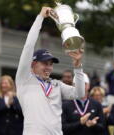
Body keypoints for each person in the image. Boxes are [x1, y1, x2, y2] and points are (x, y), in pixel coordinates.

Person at [15, 7, 85, 135]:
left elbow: (79, 93)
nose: (48, 67)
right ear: (33, 64)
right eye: (44, 63)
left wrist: (78, 67)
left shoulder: (56, 84)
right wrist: (40, 17)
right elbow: (28, 46)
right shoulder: (24, 79)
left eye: (51, 64)